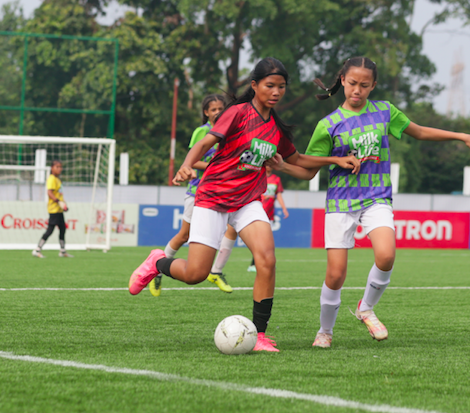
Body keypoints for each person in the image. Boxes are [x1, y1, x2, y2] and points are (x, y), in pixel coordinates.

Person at [127, 57, 360, 352]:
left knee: (267, 259)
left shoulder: (276, 128)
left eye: (282, 87)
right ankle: (157, 262)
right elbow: (203, 144)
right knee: (196, 274)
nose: (276, 92)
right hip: (212, 198)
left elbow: (299, 162)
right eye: (270, 85)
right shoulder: (237, 113)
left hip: (248, 200)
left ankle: (260, 335)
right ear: (254, 86)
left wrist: (334, 160)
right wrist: (186, 165)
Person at [272, 57, 470, 349]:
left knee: (386, 255)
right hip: (341, 202)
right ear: (342, 80)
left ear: (373, 86)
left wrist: (461, 136)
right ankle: (325, 331)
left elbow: (419, 132)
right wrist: (282, 167)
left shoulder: (384, 111)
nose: (358, 90)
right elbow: (308, 170)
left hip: (376, 197)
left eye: (365, 85)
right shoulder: (328, 125)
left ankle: (365, 308)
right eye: (353, 83)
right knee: (335, 274)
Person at [149, 94, 237, 296]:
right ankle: (156, 270)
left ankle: (216, 271)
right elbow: (191, 161)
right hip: (198, 192)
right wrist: (217, 167)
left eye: (221, 108)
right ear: (206, 112)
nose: (218, 112)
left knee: (232, 229)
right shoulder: (203, 131)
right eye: (213, 109)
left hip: (220, 193)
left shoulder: (228, 133)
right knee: (184, 235)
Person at [248, 166, 288, 273]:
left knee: (265, 241)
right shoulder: (257, 176)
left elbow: (278, 195)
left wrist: (284, 208)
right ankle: (253, 264)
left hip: (269, 214)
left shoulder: (276, 179)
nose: (269, 166)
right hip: (257, 211)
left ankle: (259, 264)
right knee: (258, 240)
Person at [33, 159, 72, 258]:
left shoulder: (58, 179)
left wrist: (63, 205)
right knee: (50, 230)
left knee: (62, 228)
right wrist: (58, 202)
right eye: (57, 167)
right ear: (52, 168)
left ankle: (62, 251)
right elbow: (49, 192)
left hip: (59, 209)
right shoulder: (51, 178)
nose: (59, 169)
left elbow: (58, 194)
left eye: (60, 167)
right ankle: (37, 249)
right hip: (54, 209)